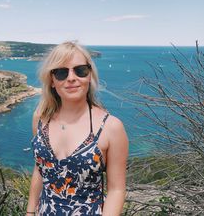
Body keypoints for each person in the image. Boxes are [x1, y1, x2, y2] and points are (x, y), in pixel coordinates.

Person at [26, 41, 129, 215]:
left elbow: (116, 190)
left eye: (80, 70)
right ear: (51, 80)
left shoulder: (111, 128)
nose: (71, 78)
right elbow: (40, 169)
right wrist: (29, 212)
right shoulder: (40, 119)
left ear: (89, 75)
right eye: (61, 72)